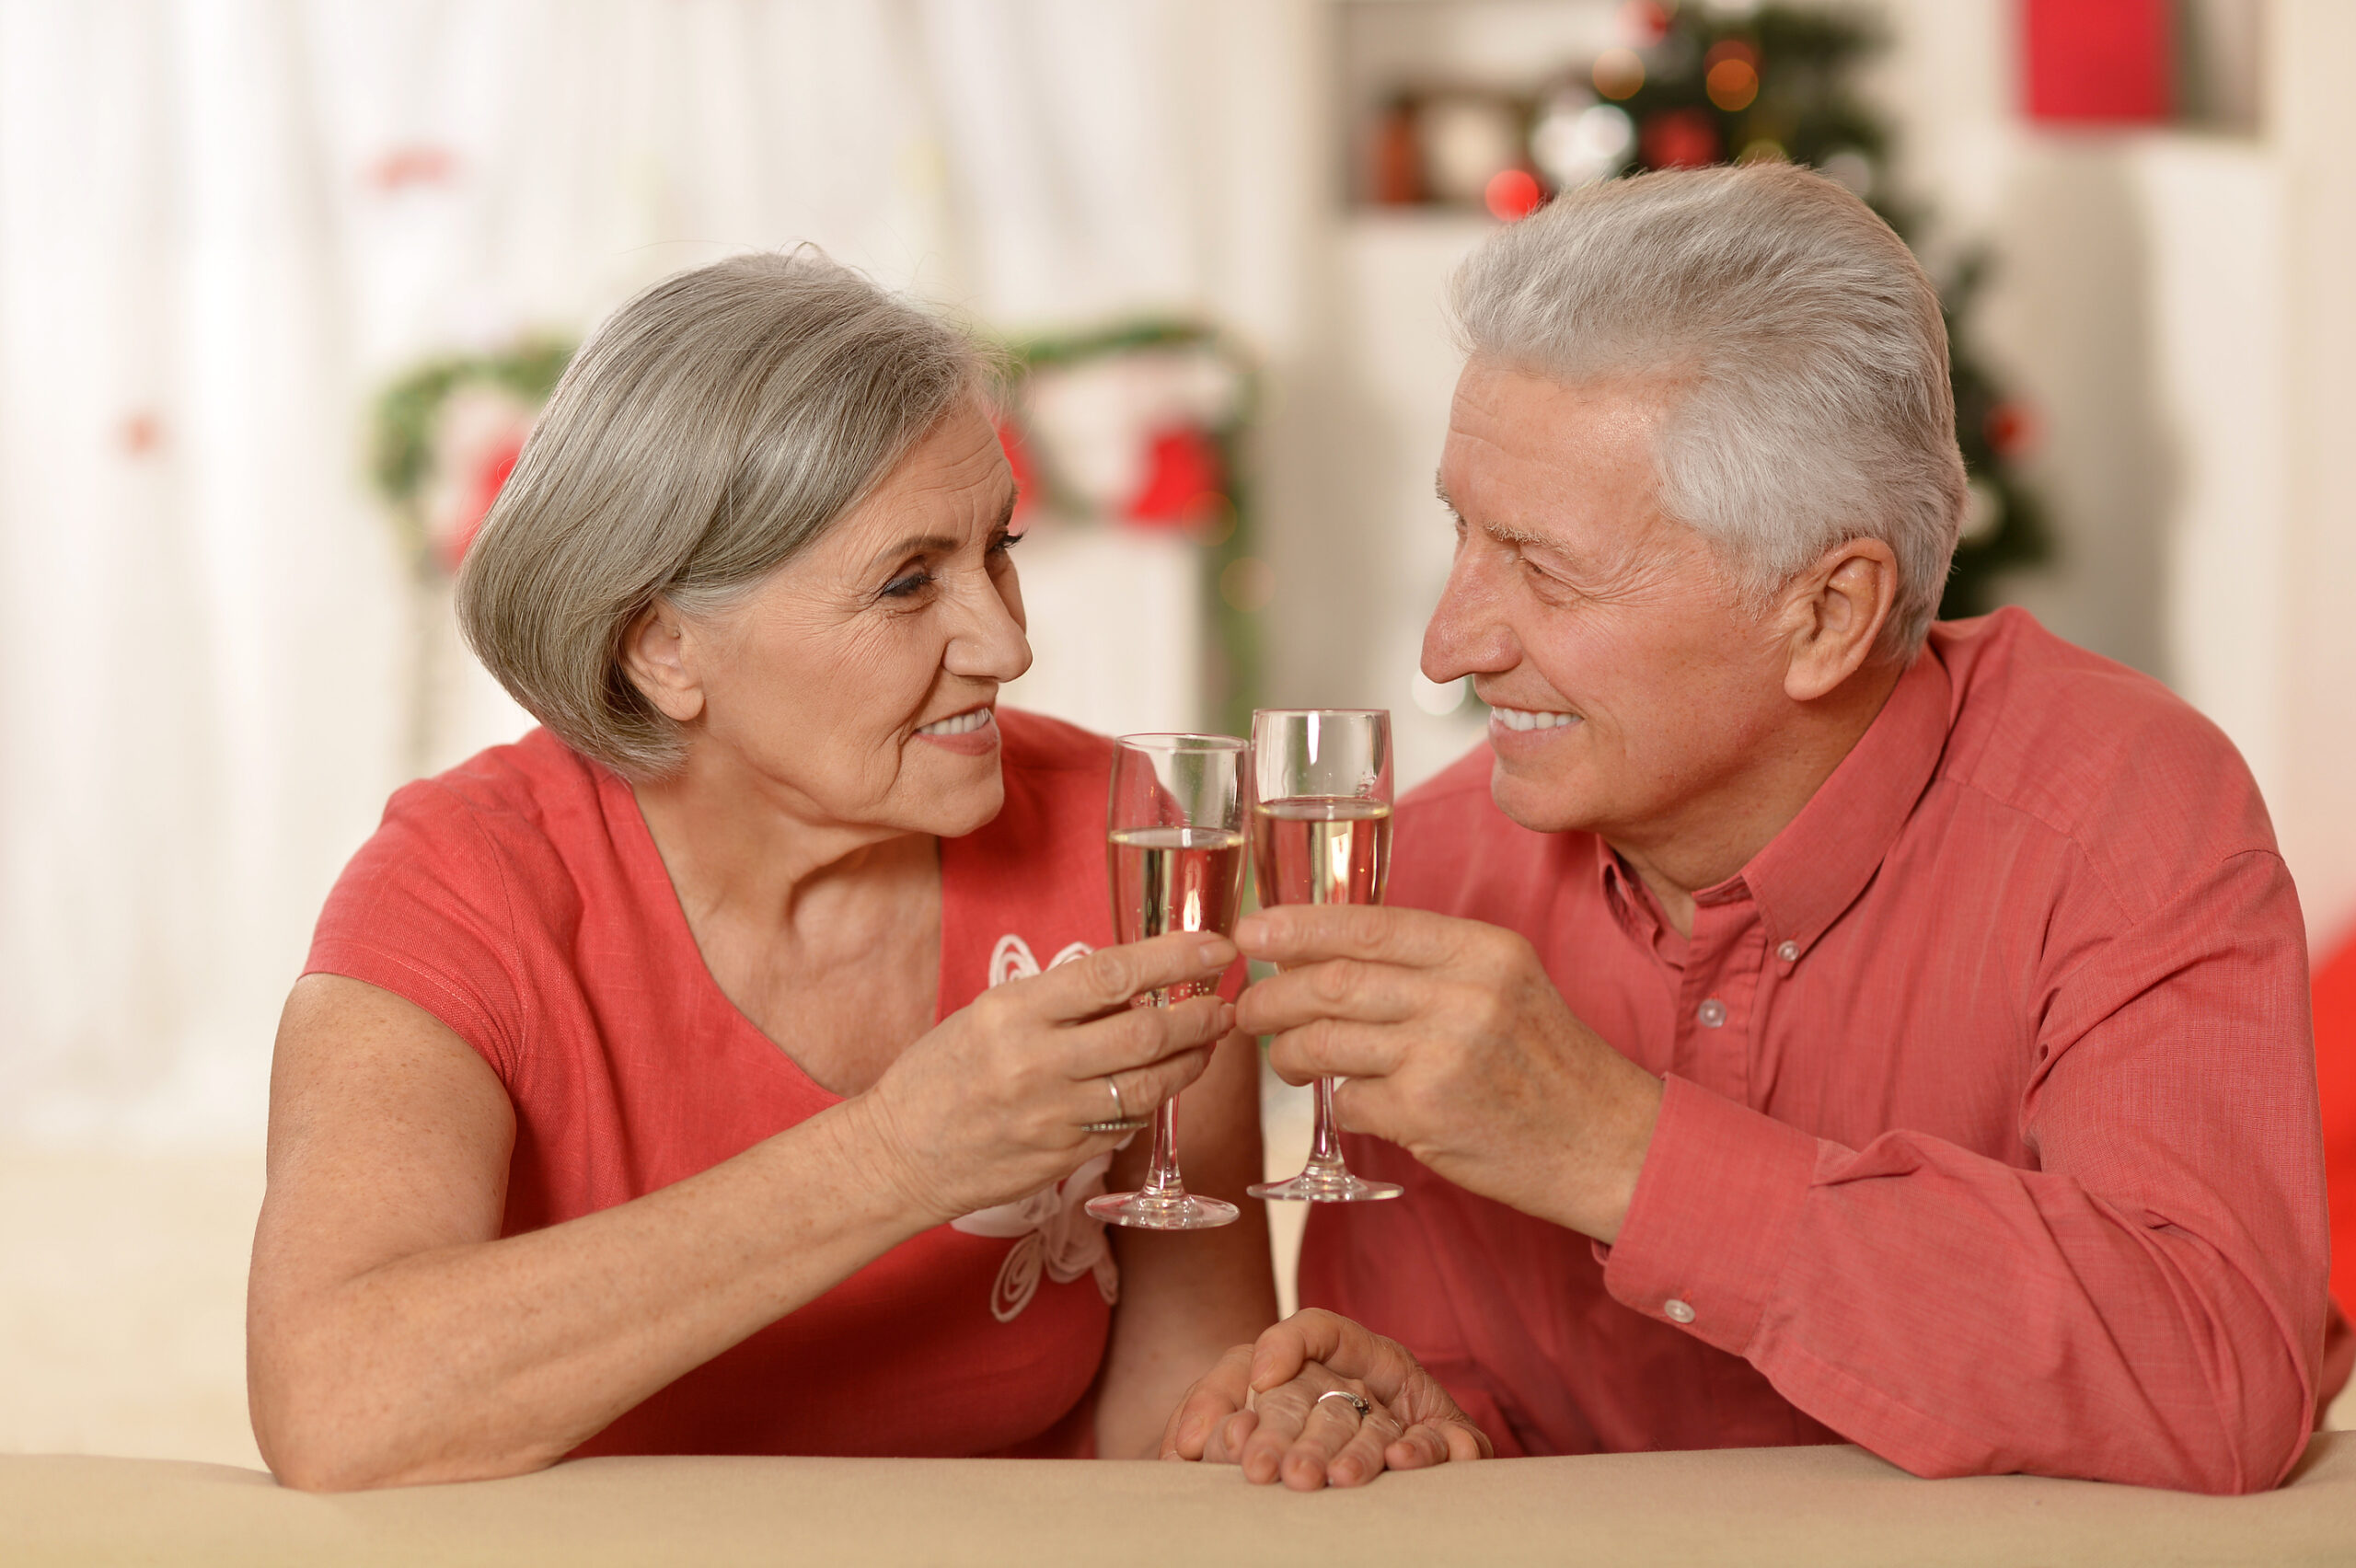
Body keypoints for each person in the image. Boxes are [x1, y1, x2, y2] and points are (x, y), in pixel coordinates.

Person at [1163, 164, 2347, 1495]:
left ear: (1829, 612)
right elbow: (1476, 1395)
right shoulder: (1433, 876)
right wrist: (1416, 1413)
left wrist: (1622, 1153)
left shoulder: (2123, 818)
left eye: (1544, 566)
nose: (1448, 648)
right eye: (1463, 532)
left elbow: (2218, 1376)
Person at [247, 253, 1275, 1491]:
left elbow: (1177, 1420)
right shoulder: (466, 890)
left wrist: (1272, 1424)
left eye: (997, 549)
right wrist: (898, 1158)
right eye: (908, 585)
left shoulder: (1128, 846)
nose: (1006, 641)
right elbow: (337, 1404)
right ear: (665, 645)